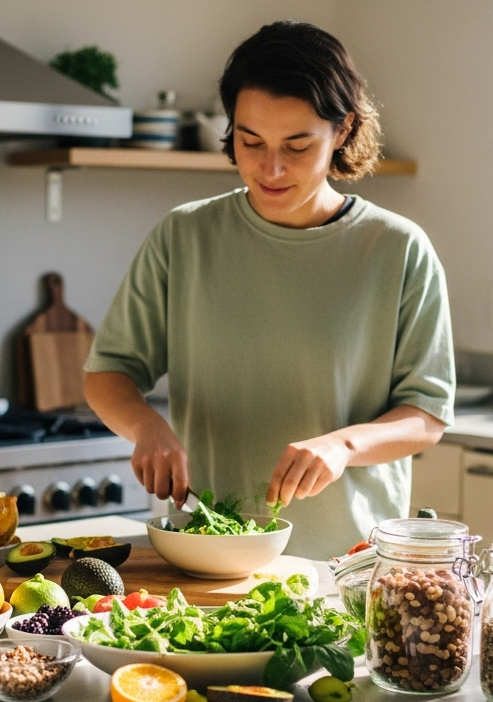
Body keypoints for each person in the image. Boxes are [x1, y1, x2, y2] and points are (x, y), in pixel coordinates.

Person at [84, 20, 455, 559]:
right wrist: (147, 429)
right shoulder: (184, 236)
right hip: (204, 551)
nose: (270, 167)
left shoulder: (397, 249)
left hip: (347, 562)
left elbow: (426, 415)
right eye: (250, 140)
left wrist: (343, 445)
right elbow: (109, 372)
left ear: (343, 131)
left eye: (297, 146)